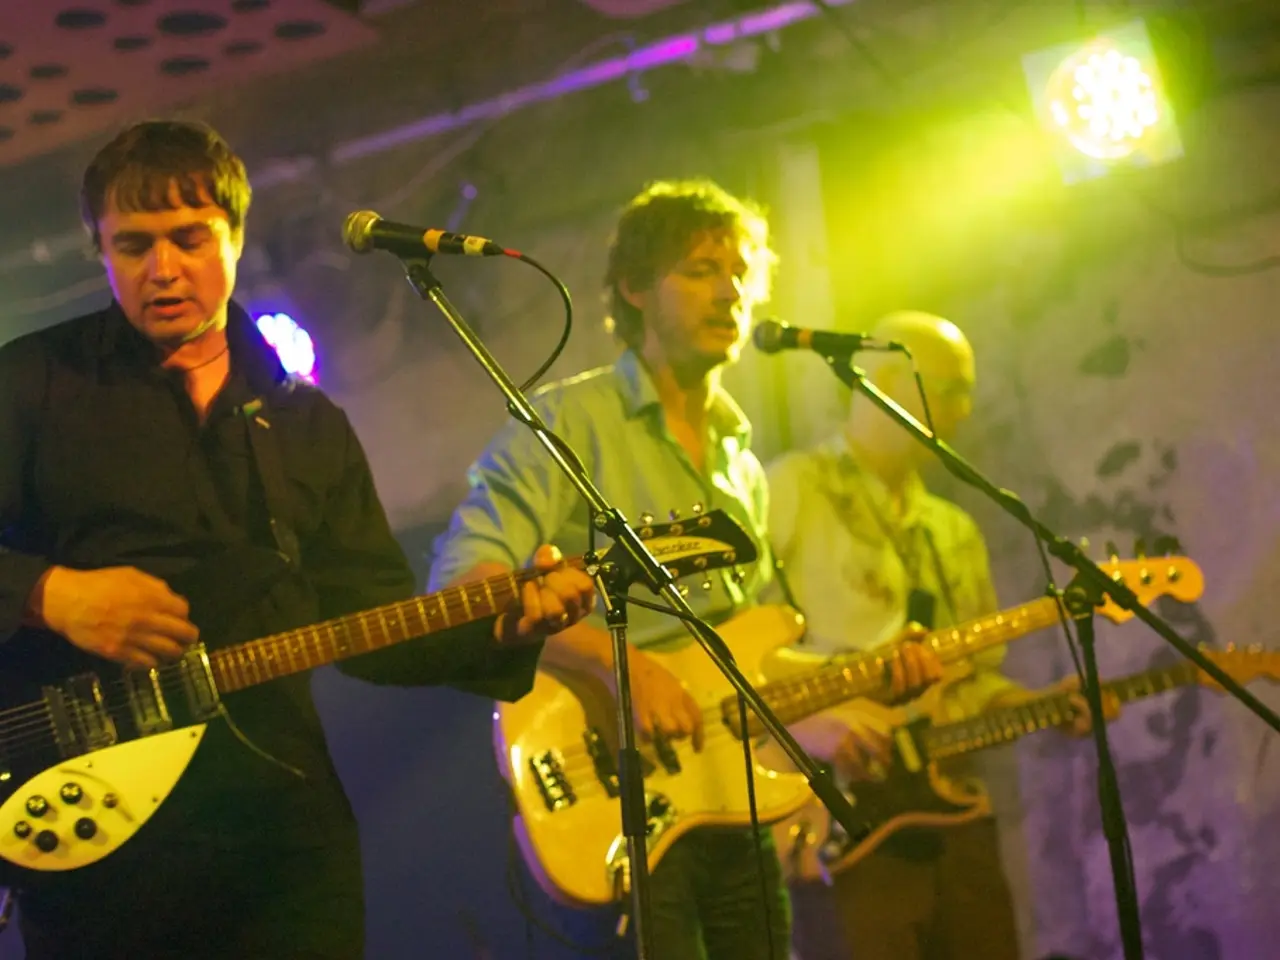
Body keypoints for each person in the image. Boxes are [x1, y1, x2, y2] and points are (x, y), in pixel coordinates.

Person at [0, 119, 596, 960]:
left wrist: (503, 625)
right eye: (132, 245)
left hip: (279, 830)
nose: (162, 270)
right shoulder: (32, 383)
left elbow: (374, 628)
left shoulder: (303, 422)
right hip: (95, 834)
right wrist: (50, 593)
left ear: (236, 236)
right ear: (95, 248)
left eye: (188, 239)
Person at [429, 180, 938, 958]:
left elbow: (746, 656)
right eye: (700, 269)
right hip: (615, 801)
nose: (728, 291)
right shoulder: (565, 424)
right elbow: (463, 590)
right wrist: (618, 665)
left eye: (739, 272)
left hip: (736, 807)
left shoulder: (744, 465)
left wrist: (866, 677)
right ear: (634, 287)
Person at [768, 310, 1116, 960]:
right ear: (891, 380)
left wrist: (1038, 705)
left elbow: (973, 681)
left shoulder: (952, 528)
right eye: (949, 389)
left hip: (950, 816)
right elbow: (739, 650)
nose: (962, 410)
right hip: (839, 816)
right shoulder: (792, 487)